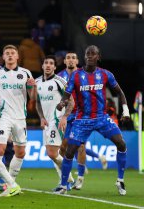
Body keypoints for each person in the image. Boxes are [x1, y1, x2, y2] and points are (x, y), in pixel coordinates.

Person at [54, 45, 129, 196]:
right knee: (69, 152)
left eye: (93, 54)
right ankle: (63, 185)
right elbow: (67, 95)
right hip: (82, 119)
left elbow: (120, 92)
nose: (89, 56)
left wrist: (125, 110)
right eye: (87, 53)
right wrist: (62, 103)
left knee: (121, 143)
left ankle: (120, 180)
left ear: (98, 57)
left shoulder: (106, 74)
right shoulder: (75, 75)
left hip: (101, 117)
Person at [58, 51, 107, 190]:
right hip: (65, 116)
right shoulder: (59, 76)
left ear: (77, 61)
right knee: (63, 147)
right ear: (65, 61)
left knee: (81, 146)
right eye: (68, 58)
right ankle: (65, 177)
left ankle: (80, 178)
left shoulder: (83, 74)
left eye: (73, 58)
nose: (71, 60)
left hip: (81, 115)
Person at [0, 45, 35, 193]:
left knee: (20, 152)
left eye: (12, 53)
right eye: (7, 53)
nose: (9, 55)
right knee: (0, 149)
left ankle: (10, 183)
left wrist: (32, 88)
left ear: (17, 57)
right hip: (4, 116)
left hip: (20, 118)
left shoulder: (25, 73)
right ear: (3, 57)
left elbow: (33, 98)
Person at [35, 55, 75, 189]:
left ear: (54, 67)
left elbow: (71, 102)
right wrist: (41, 117)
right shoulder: (37, 82)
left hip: (57, 120)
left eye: (51, 63)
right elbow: (38, 102)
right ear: (42, 66)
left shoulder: (60, 81)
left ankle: (67, 178)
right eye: (46, 63)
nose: (48, 65)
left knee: (52, 153)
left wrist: (64, 118)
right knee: (53, 155)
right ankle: (65, 181)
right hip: (47, 122)